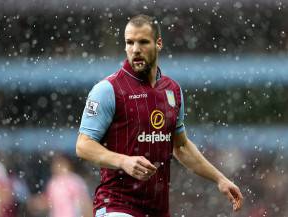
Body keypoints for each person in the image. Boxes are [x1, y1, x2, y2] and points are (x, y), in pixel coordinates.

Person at [76, 14, 243, 217]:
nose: (135, 49)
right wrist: (123, 161)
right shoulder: (107, 90)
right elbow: (83, 145)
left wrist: (220, 179)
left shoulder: (172, 90)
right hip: (116, 206)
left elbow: (180, 146)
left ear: (159, 43)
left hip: (157, 210)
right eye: (130, 42)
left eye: (143, 42)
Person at [27, 153, 93, 217]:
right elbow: (49, 201)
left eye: (60, 164)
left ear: (68, 165)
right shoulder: (53, 182)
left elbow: (85, 203)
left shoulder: (74, 181)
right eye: (55, 164)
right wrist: (37, 203)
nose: (57, 167)